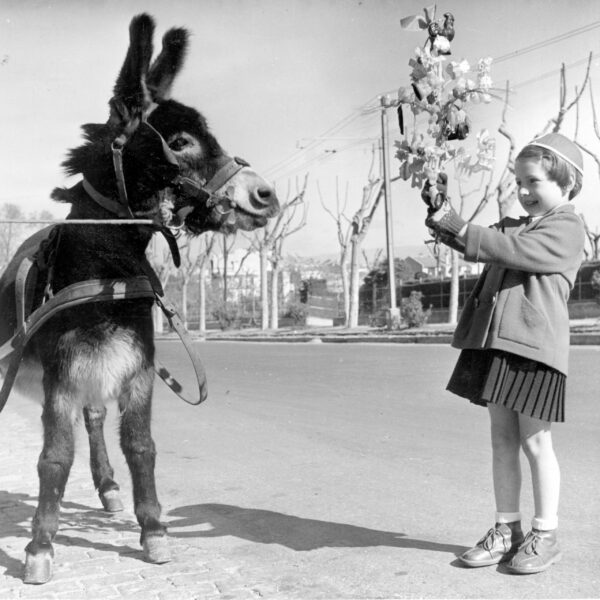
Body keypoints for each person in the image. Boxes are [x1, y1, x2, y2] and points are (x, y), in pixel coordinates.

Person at [424, 132, 585, 575]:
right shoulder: (514, 225)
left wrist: (460, 226)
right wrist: (441, 213)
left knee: (535, 442)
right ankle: (506, 529)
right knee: (501, 440)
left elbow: (513, 250)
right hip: (498, 345)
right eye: (519, 182)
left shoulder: (568, 227)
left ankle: (545, 534)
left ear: (567, 185)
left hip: (535, 349)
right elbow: (476, 240)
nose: (524, 191)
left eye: (534, 182)